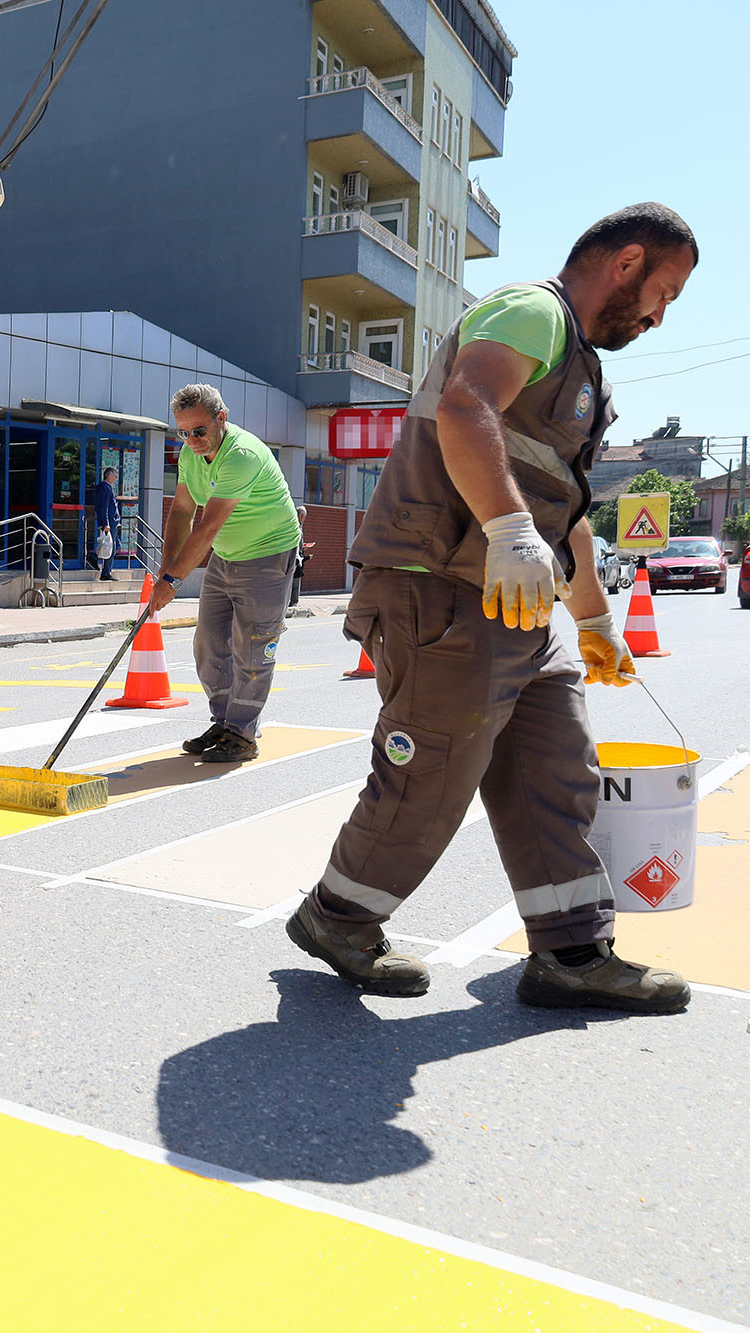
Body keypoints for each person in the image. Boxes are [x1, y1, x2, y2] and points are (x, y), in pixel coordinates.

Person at [287, 203, 698, 1014]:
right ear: (628, 263)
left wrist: (592, 619)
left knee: (557, 768)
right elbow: (465, 404)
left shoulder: (581, 368)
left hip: (514, 605)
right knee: (433, 773)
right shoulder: (533, 311)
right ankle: (338, 917)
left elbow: (565, 513)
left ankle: (572, 952)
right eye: (666, 291)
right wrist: (510, 529)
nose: (661, 314)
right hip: (439, 582)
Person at [145, 384, 302, 762]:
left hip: (267, 555)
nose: (192, 440)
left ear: (222, 418)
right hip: (227, 555)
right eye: (183, 432)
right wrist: (166, 568)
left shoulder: (241, 456)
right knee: (209, 643)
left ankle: (243, 734)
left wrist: (172, 583)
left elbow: (207, 527)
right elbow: (182, 510)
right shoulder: (190, 454)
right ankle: (226, 722)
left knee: (253, 648)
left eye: (199, 430)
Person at [91, 466, 120, 581]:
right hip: (109, 524)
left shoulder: (107, 488)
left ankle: (96, 559)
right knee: (111, 547)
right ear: (108, 475)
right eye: (114, 475)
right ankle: (105, 572)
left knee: (115, 545)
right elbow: (104, 507)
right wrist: (106, 523)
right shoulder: (104, 488)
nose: (116, 477)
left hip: (113, 523)